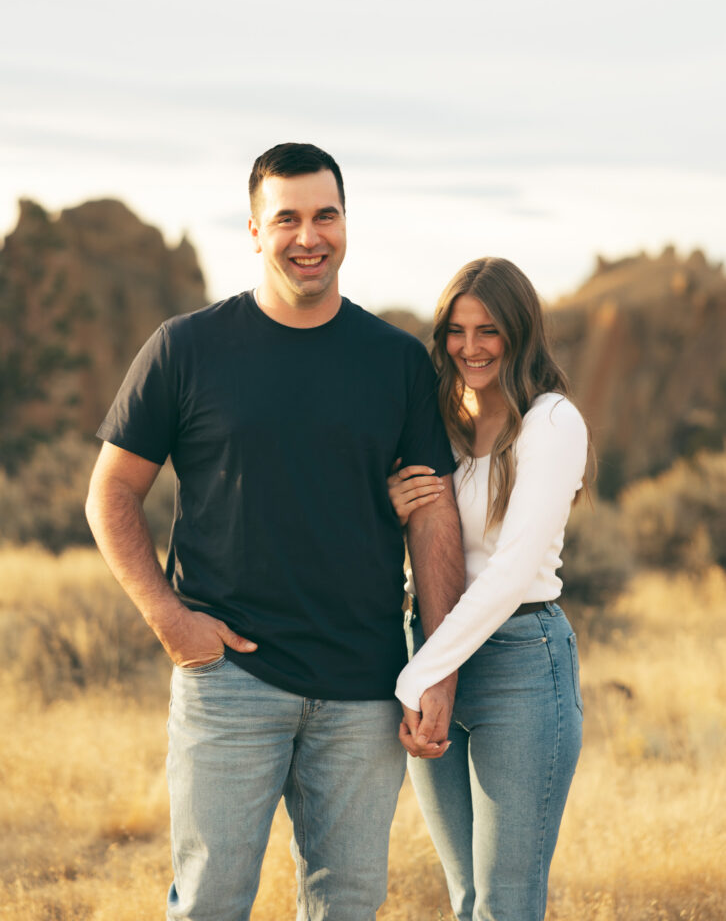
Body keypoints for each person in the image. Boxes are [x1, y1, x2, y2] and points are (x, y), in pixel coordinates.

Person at [84, 142, 466, 921]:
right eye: (286, 217)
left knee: (348, 905)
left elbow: (432, 516)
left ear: (346, 224)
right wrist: (170, 618)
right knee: (211, 902)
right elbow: (112, 494)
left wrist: (437, 664)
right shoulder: (186, 349)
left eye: (325, 215)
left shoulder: (395, 362)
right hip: (230, 679)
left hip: (362, 686)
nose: (308, 235)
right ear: (255, 231)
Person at [387, 257, 590, 921]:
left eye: (489, 330)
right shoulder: (438, 421)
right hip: (436, 645)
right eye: (456, 330)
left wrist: (422, 673)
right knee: (465, 897)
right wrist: (389, 505)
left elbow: (508, 572)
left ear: (520, 333)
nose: (470, 347)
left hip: (521, 662)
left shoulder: (552, 422)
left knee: (506, 903)